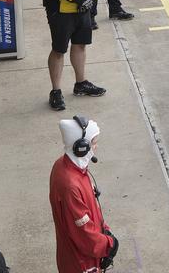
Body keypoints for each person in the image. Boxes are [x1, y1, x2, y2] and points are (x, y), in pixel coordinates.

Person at [50, 117, 119, 273]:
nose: (96, 146)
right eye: (93, 143)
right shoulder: (71, 185)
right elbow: (84, 236)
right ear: (81, 147)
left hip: (73, 255)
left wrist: (104, 231)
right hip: (81, 263)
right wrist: (109, 245)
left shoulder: (64, 166)